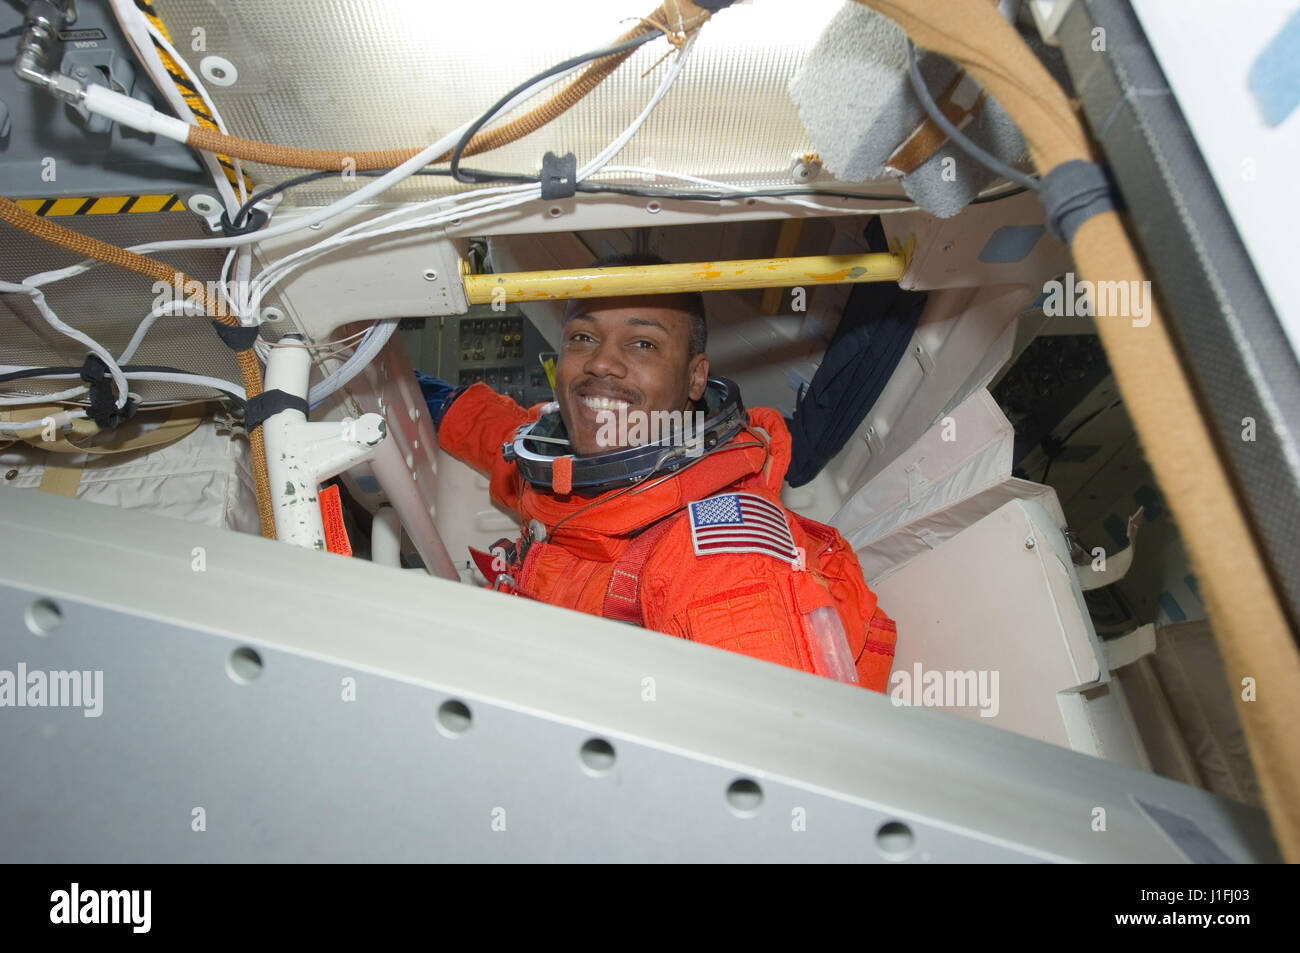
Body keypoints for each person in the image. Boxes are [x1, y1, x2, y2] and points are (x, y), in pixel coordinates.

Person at [419, 253, 897, 691]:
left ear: (695, 377)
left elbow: (775, 765)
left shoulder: (723, 561)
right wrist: (420, 393)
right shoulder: (573, 454)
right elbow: (495, 429)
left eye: (643, 343)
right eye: (583, 338)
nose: (601, 362)